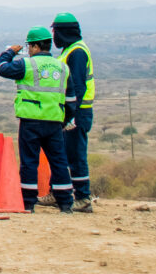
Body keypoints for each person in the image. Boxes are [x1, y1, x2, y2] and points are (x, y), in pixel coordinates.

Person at [0, 27, 74, 213]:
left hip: (30, 121)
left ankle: (28, 203)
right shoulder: (63, 67)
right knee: (59, 162)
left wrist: (9, 52)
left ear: (36, 46)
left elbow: (1, 69)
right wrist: (64, 120)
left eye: (29, 46)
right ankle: (65, 204)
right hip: (54, 122)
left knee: (30, 162)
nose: (28, 50)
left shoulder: (27, 65)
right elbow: (71, 100)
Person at [47, 12, 95, 212]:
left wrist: (72, 115)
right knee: (63, 154)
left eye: (56, 31)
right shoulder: (70, 50)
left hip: (78, 112)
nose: (54, 36)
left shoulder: (77, 52)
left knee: (75, 156)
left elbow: (78, 85)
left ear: (64, 32)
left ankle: (83, 197)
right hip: (70, 111)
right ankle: (57, 193)